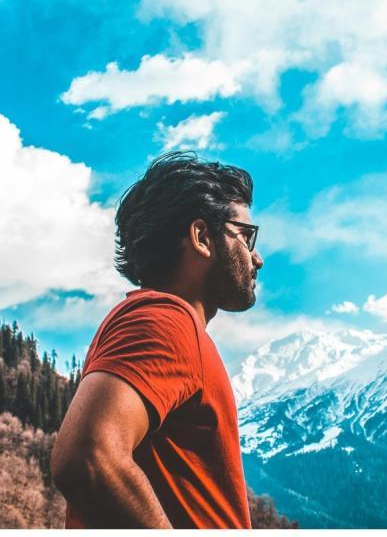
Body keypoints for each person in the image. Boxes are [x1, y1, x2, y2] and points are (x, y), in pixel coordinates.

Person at [50, 151, 264, 528]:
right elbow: (87, 457)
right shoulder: (164, 320)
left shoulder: (167, 323)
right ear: (201, 237)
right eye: (245, 236)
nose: (256, 257)